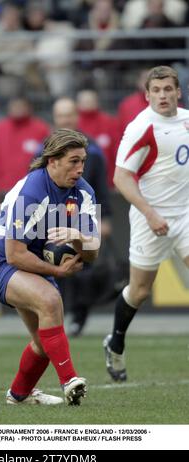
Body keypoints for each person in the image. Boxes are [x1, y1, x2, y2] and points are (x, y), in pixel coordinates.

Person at [0, 128, 100, 405]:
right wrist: (58, 272)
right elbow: (14, 255)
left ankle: (18, 395)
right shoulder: (32, 191)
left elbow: (93, 254)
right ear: (53, 161)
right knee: (50, 300)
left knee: (44, 343)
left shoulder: (83, 193)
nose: (80, 168)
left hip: (34, 268)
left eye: (83, 161)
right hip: (1, 266)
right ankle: (69, 380)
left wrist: (79, 238)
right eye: (73, 161)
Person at [104, 65, 189, 381]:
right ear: (147, 95)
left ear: (177, 92)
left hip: (185, 216)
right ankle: (115, 344)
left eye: (168, 89)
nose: (163, 96)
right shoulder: (141, 127)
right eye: (156, 91)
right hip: (149, 218)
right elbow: (121, 177)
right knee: (139, 291)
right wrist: (150, 213)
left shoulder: (186, 119)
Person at [51, 97, 112, 337]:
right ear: (55, 119)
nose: (65, 119)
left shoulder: (92, 149)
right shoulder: (44, 151)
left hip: (84, 216)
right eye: (60, 115)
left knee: (83, 269)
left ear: (76, 117)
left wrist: (104, 218)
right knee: (55, 266)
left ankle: (79, 317)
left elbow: (101, 186)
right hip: (54, 216)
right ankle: (58, 317)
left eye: (69, 114)